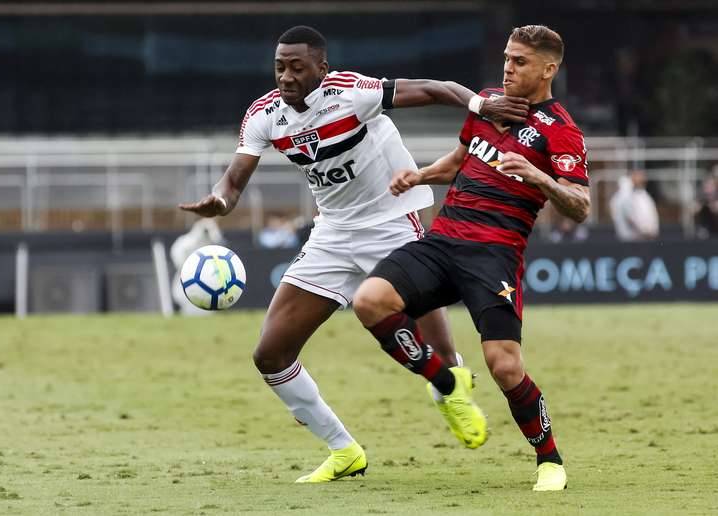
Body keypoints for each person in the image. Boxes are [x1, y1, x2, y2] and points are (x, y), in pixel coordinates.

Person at [179, 25, 529, 483]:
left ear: (321, 69)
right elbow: (233, 181)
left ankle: (451, 386)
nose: (285, 76)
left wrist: (483, 104)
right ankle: (344, 450)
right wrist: (220, 202)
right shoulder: (264, 115)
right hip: (333, 233)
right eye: (280, 67)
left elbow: (431, 88)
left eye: (297, 67)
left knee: (441, 358)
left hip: (390, 220)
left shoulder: (351, 92)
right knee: (270, 355)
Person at [353, 25, 589, 492]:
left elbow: (580, 206)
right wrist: (417, 175)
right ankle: (447, 384)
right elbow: (461, 160)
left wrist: (538, 179)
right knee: (370, 301)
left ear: (549, 69)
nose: (508, 67)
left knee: (504, 366)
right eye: (506, 57)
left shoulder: (560, 131)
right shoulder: (485, 102)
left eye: (520, 62)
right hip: (443, 242)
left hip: (495, 256)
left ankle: (550, 461)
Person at [610, 169, 659, 241]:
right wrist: (643, 231)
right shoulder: (624, 197)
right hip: (632, 238)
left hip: (642, 237)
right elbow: (629, 217)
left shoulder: (642, 195)